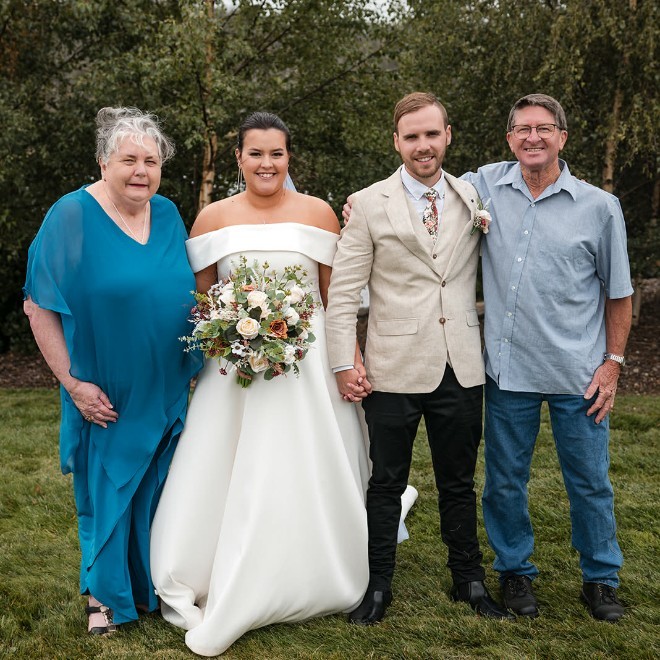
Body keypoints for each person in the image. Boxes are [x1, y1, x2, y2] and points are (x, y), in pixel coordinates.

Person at [150, 112, 415, 657]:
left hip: (308, 370)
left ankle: (318, 564)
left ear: (289, 157)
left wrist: (351, 360)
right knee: (229, 467)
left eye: (276, 153)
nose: (266, 163)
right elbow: (203, 304)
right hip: (236, 374)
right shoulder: (212, 218)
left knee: (310, 463)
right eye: (256, 153)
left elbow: (335, 300)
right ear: (239, 158)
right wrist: (233, 334)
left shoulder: (318, 213)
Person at [325, 92, 512, 625]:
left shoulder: (472, 195)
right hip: (392, 365)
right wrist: (343, 362)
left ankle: (469, 580)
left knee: (459, 482)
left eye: (432, 134)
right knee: (385, 482)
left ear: (447, 135)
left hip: (462, 364)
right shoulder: (368, 203)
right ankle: (377, 586)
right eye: (412, 136)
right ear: (396, 142)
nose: (423, 145)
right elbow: (344, 293)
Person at [23, 107, 200, 634]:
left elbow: (183, 289)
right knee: (106, 490)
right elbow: (39, 306)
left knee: (156, 488)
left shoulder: (167, 213)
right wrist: (73, 384)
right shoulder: (71, 216)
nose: (141, 170)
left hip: (165, 383)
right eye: (129, 159)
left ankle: (145, 588)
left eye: (151, 161)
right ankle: (102, 597)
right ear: (103, 162)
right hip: (104, 390)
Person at [462, 94, 632, 622]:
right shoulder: (482, 186)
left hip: (578, 374)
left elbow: (619, 293)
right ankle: (515, 571)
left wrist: (612, 363)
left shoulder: (599, 207)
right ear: (509, 138)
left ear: (562, 136)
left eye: (543, 128)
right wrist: (355, 206)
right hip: (508, 371)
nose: (532, 137)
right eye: (522, 129)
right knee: (504, 482)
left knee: (590, 482)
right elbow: (422, 188)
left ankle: (600, 580)